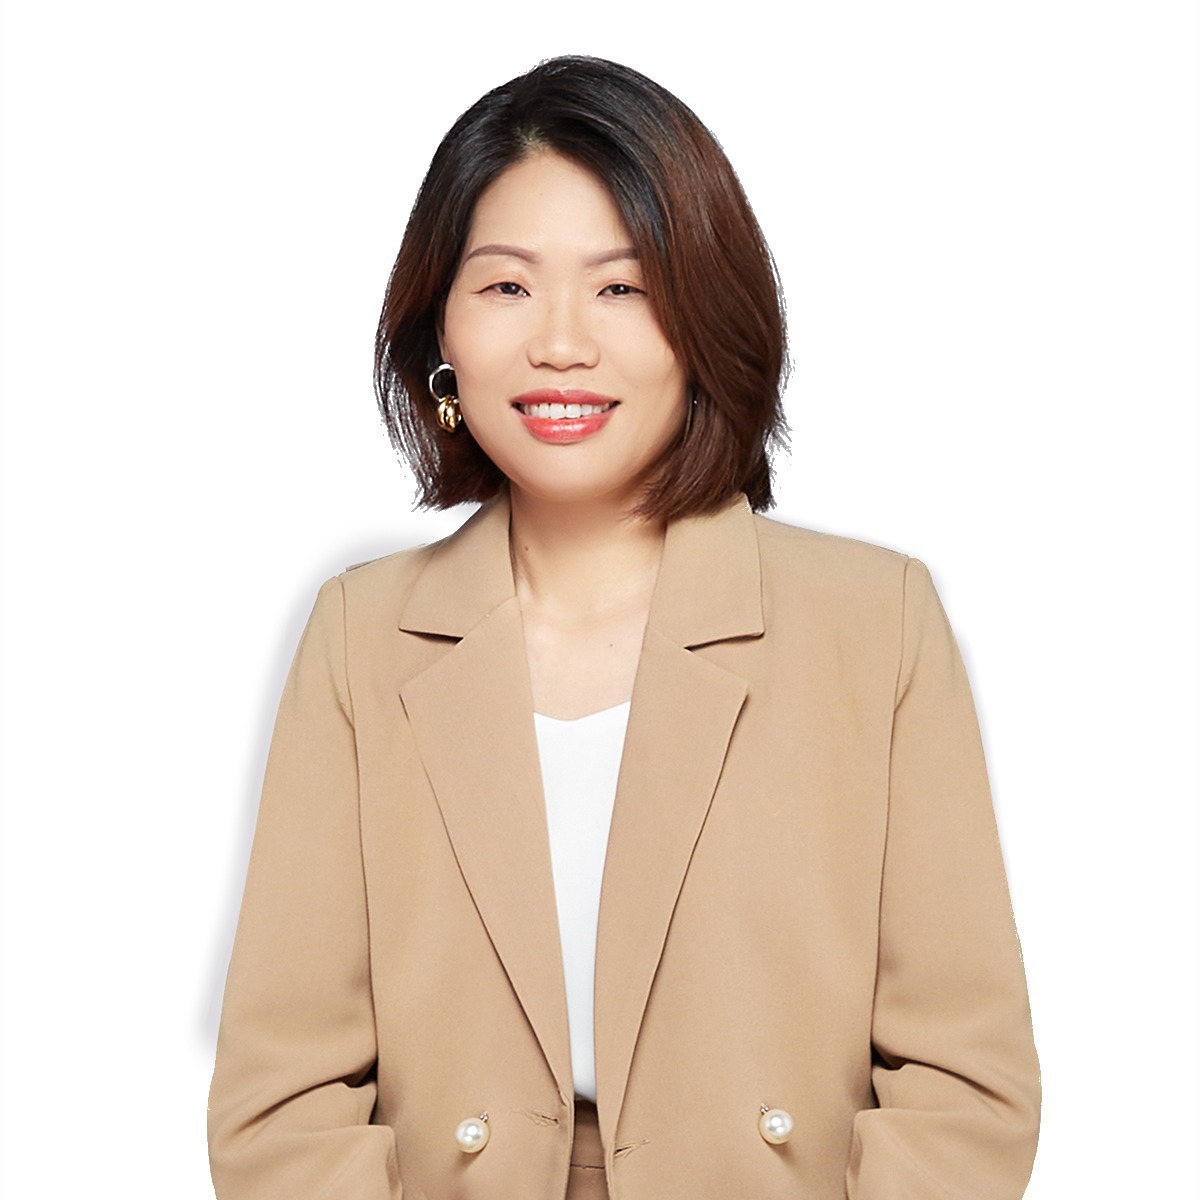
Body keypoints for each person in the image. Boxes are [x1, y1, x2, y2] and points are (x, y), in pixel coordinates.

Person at [207, 55, 1040, 1200]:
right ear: (440, 329)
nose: (560, 343)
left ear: (704, 318)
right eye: (507, 286)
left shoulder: (875, 625)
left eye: (622, 288)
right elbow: (282, 1104)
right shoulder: (360, 635)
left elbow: (965, 1089)